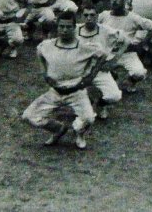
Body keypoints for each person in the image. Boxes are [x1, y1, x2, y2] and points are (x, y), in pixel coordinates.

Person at [22, 10, 106, 149]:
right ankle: (58, 129)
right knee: (28, 116)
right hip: (55, 92)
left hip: (76, 92)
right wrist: (44, 72)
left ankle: (80, 134)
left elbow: (102, 55)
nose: (64, 30)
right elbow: (39, 52)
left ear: (74, 28)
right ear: (57, 27)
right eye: (61, 26)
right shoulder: (47, 45)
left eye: (68, 27)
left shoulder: (84, 47)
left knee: (88, 118)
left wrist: (90, 76)